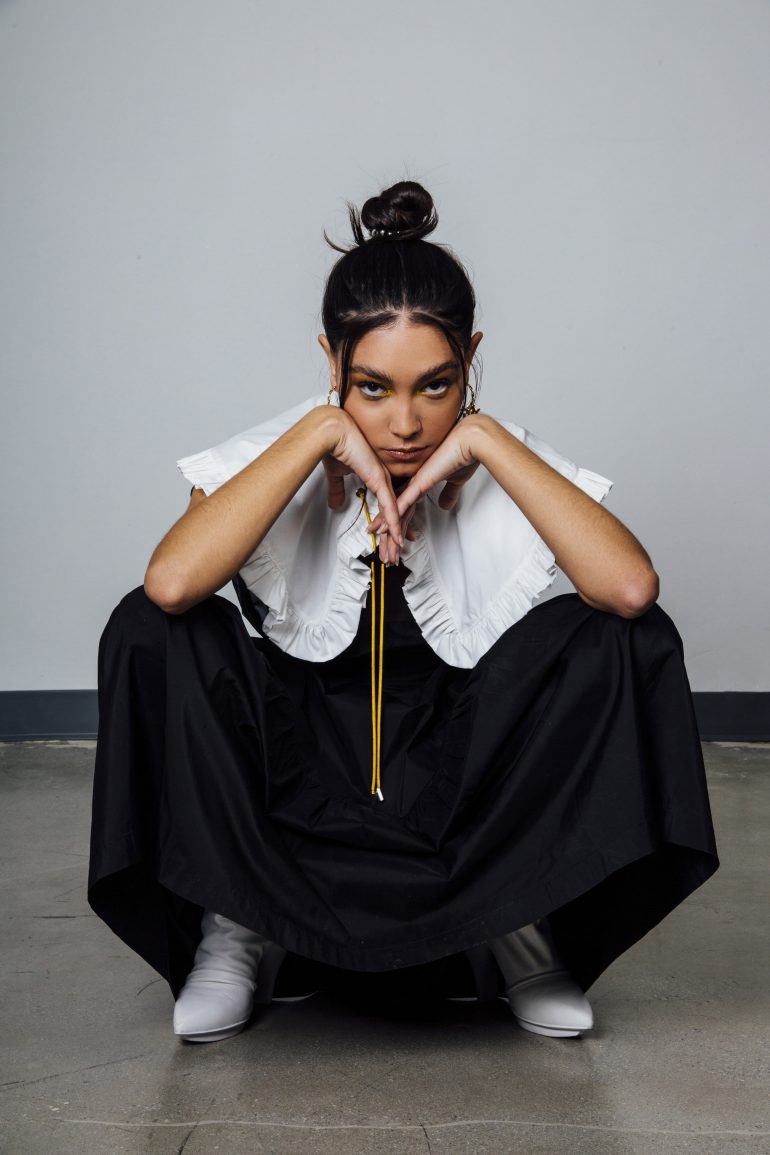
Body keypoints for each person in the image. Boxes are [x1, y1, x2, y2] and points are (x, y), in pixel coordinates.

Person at [88, 180, 718, 1045]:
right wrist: (317, 435)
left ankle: (518, 928)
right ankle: (237, 926)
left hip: (457, 774)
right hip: (295, 769)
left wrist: (486, 439)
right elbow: (169, 585)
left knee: (621, 639)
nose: (408, 423)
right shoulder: (274, 451)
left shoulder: (493, 451)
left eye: (437, 385)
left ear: (471, 358)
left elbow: (632, 590)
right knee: (151, 627)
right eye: (372, 387)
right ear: (331, 361)